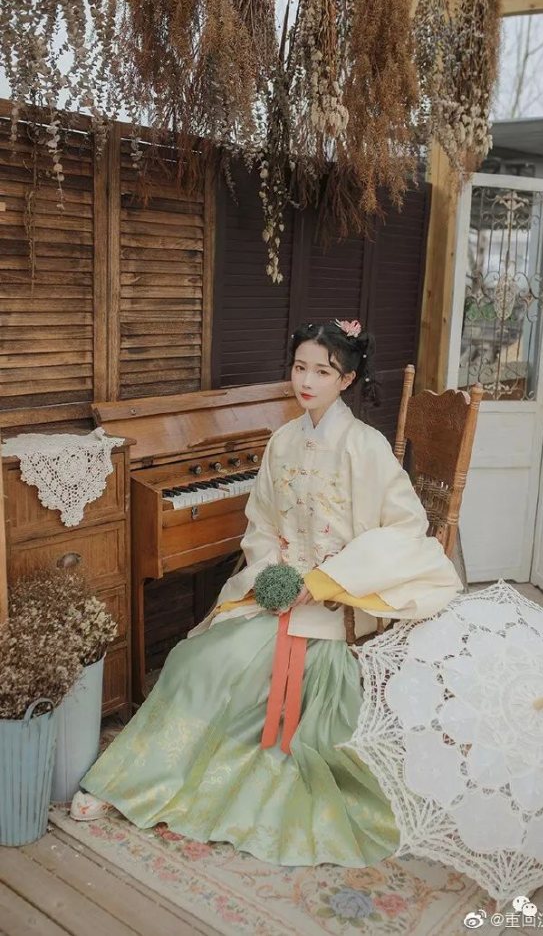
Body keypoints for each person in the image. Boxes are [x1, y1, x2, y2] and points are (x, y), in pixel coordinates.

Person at [71, 319, 462, 867]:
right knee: (193, 659)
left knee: (228, 663)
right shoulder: (283, 440)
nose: (306, 381)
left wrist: (323, 583)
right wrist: (272, 577)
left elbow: (405, 529)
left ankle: (181, 778)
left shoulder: (365, 447)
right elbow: (261, 524)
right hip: (281, 591)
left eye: (322, 372)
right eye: (300, 368)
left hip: (335, 601)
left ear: (346, 380)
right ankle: (138, 779)